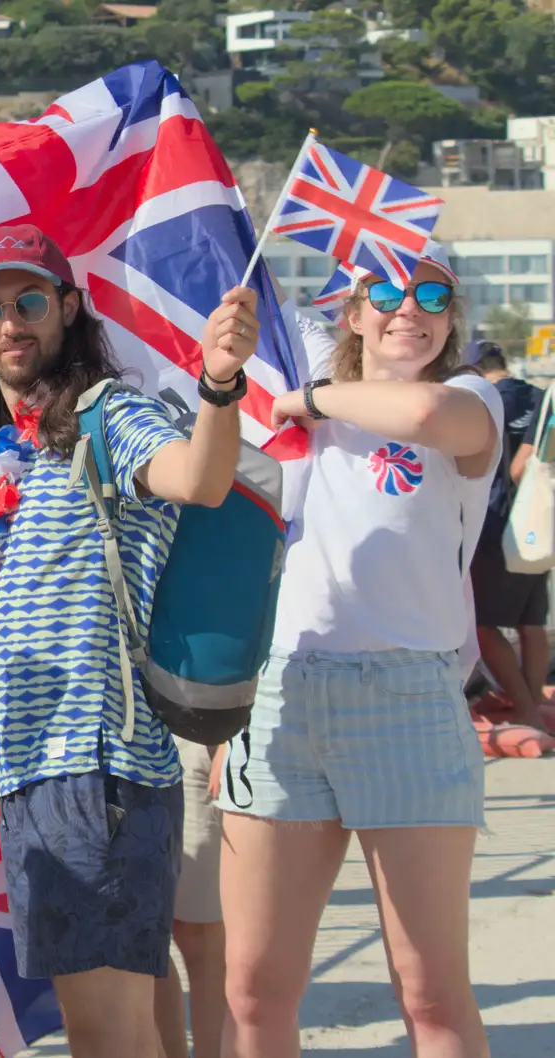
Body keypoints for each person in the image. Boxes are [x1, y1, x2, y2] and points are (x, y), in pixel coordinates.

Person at [0, 224, 258, 1058]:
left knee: (105, 1038)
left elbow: (200, 478)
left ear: (69, 309)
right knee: (130, 1032)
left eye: (32, 301)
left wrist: (219, 385)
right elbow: (13, 670)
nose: (13, 322)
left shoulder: (106, 414)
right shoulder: (2, 459)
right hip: (46, 778)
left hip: (101, 772)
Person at [217, 251, 498, 1058]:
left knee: (431, 992)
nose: (409, 308)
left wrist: (307, 398)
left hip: (407, 697)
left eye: (433, 296)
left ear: (451, 318)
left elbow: (422, 417)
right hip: (280, 696)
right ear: (351, 311)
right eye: (385, 292)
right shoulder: (293, 414)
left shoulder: (468, 396)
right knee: (253, 989)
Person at [468, 340, 551, 732]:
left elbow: (518, 468)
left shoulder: (481, 401)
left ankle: (527, 710)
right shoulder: (540, 397)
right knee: (531, 621)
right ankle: (535, 705)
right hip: (541, 525)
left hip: (497, 524)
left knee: (483, 624)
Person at [153, 738, 227, 1058]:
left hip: (185, 732)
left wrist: (230, 738)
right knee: (139, 938)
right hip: (100, 744)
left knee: (199, 933)